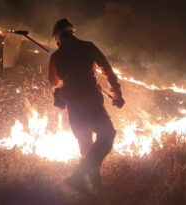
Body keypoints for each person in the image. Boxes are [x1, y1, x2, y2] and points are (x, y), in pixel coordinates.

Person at [49, 18, 125, 193]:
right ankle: (88, 180)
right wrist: (116, 92)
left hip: (74, 105)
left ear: (58, 36)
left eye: (56, 40)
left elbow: (54, 82)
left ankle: (84, 179)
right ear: (72, 32)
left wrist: (62, 66)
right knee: (106, 136)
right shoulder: (88, 47)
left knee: (85, 142)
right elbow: (107, 69)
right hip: (92, 102)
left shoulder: (56, 56)